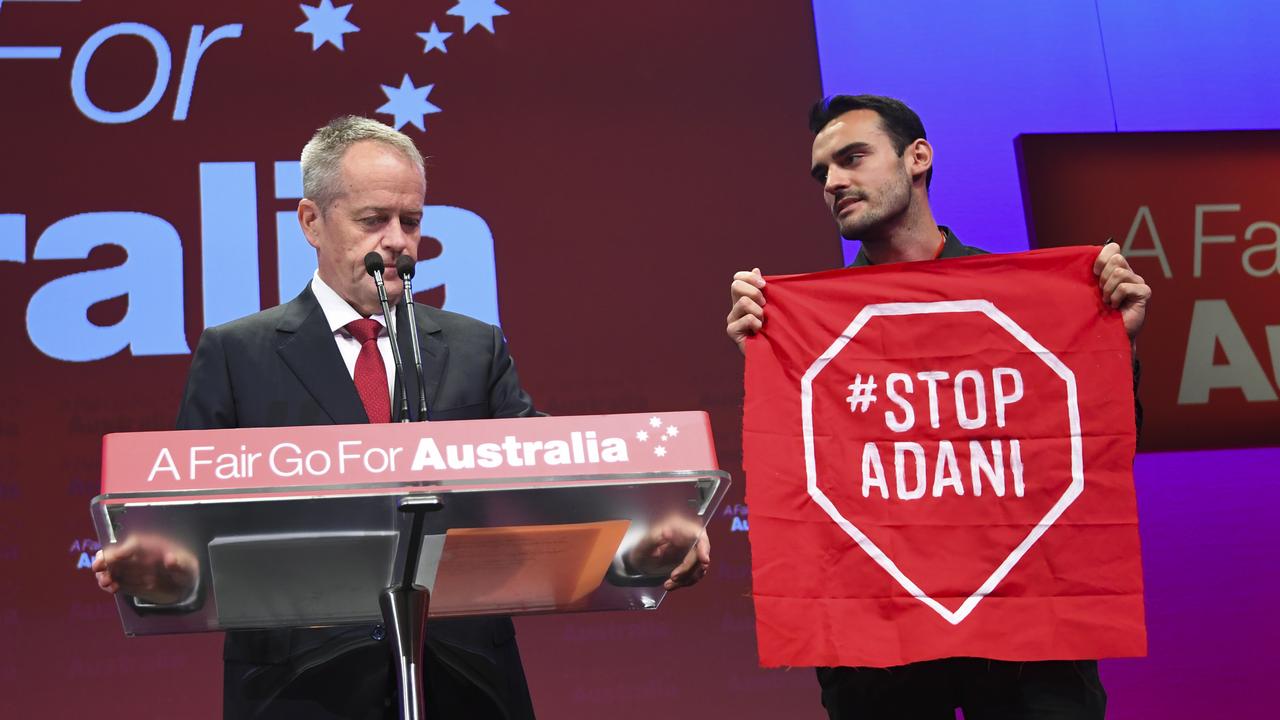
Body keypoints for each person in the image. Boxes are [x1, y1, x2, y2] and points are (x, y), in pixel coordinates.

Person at [92, 115, 709, 719]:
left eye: (410, 221)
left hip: (466, 679)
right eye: (373, 220)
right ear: (311, 221)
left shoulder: (474, 347)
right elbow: (185, 518)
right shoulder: (236, 354)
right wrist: (160, 562)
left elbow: (549, 483)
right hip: (298, 686)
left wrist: (645, 535)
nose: (396, 240)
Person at [725, 95, 1151, 719]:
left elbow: (1093, 463)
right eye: (822, 173)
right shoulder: (807, 328)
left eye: (852, 158)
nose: (834, 182)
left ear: (917, 158)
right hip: (882, 657)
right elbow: (808, 485)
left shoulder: (1025, 301)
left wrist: (1114, 349)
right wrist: (770, 364)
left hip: (1028, 654)